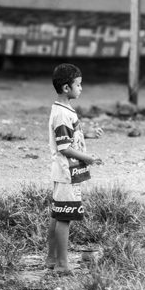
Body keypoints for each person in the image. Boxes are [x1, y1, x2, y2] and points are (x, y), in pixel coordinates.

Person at [45, 63, 103, 274]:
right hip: (66, 172)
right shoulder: (62, 114)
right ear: (66, 88)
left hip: (65, 172)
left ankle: (52, 259)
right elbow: (64, 147)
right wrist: (89, 158)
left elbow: (69, 136)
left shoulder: (64, 110)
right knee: (64, 217)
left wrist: (87, 134)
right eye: (78, 84)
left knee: (58, 215)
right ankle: (61, 265)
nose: (81, 88)